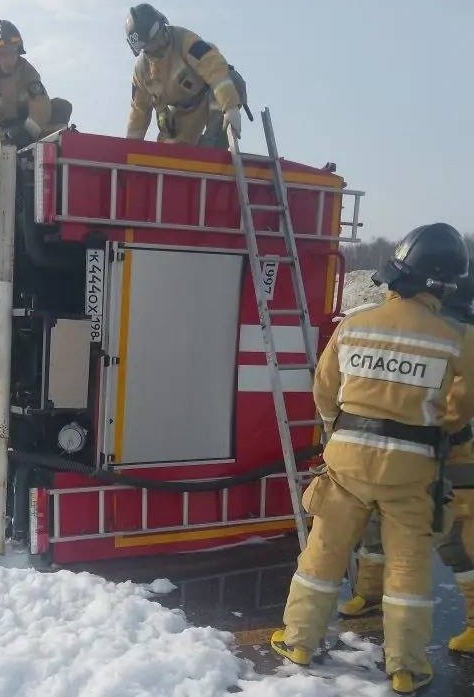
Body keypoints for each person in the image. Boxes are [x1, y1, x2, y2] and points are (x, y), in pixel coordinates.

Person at [270, 223, 474, 694]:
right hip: (411, 470)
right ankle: (405, 668)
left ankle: (299, 640)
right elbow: (461, 409)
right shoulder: (456, 338)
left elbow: (324, 390)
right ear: (442, 284)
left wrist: (336, 433)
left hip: (346, 461)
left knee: (323, 552)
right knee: (409, 569)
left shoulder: (354, 325)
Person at [339, 272, 474, 655]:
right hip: (414, 452)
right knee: (377, 523)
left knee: (458, 539)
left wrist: (430, 426)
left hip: (457, 455)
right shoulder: (438, 331)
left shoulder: (462, 338)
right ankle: (369, 594)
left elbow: (456, 409)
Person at [124, 3, 246, 148]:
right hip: (184, 111)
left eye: (156, 41)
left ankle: (211, 151)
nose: (155, 49)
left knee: (211, 147)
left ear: (163, 27)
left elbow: (214, 69)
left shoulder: (184, 41)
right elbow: (138, 113)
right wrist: (129, 152)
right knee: (173, 155)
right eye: (148, 47)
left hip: (212, 96)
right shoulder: (142, 72)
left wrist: (230, 106)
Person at [0, 19, 73, 153]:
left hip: (24, 128)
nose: (10, 59)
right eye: (4, 54)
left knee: (61, 107)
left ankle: (55, 149)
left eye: (13, 52)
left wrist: (27, 133)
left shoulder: (27, 72)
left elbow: (41, 105)